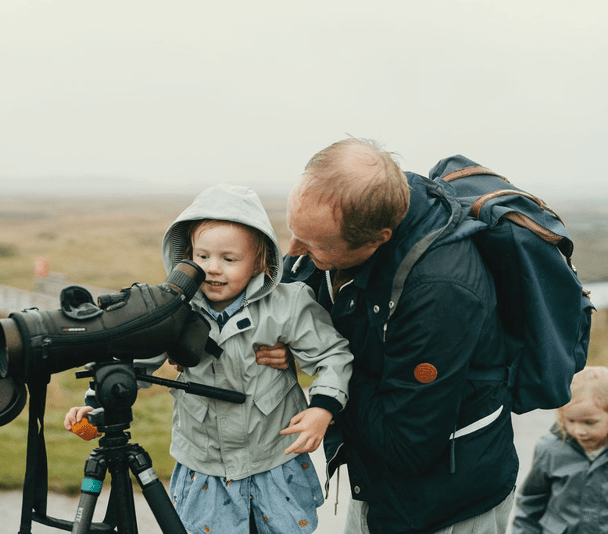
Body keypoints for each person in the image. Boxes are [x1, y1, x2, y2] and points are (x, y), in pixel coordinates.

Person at [260, 137, 518, 533]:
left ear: (378, 237)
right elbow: (296, 303)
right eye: (294, 231)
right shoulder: (364, 214)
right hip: (378, 487)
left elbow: (407, 446)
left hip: (449, 504)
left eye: (313, 245)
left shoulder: (440, 292)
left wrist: (331, 368)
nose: (293, 251)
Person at [64, 183, 354, 534]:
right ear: (187, 256)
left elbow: (333, 355)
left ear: (259, 261)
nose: (213, 269)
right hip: (205, 468)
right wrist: (97, 405)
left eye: (229, 259)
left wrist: (322, 409)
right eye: (203, 257)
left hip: (274, 461)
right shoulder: (171, 310)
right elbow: (133, 365)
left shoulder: (287, 305)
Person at [513, 366, 608, 533]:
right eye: (570, 421)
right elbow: (530, 503)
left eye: (589, 422)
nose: (578, 431)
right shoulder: (551, 449)